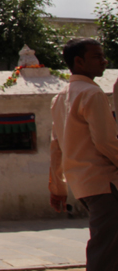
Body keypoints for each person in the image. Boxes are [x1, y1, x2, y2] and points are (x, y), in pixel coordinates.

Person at [49, 38, 118, 269]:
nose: (104, 61)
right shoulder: (92, 93)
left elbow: (56, 146)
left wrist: (58, 187)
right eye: (97, 57)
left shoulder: (60, 97)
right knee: (105, 250)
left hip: (83, 184)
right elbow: (106, 142)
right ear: (79, 62)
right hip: (104, 182)